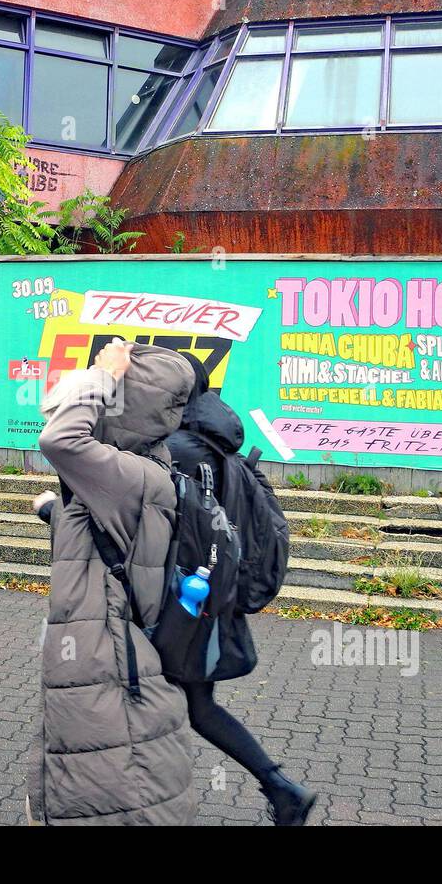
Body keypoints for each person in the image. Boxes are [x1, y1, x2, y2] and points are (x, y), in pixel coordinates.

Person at [27, 340, 198, 825]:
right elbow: (105, 540)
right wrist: (52, 512)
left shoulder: (132, 476)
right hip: (106, 652)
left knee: (112, 782)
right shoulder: (143, 467)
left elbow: (59, 440)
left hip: (108, 658)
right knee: (98, 773)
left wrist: (102, 377)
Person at [165, 353, 315, 826]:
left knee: (176, 704)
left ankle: (280, 787)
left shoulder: (181, 449)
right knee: (193, 706)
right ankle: (281, 788)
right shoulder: (213, 442)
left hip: (185, 602)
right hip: (208, 593)